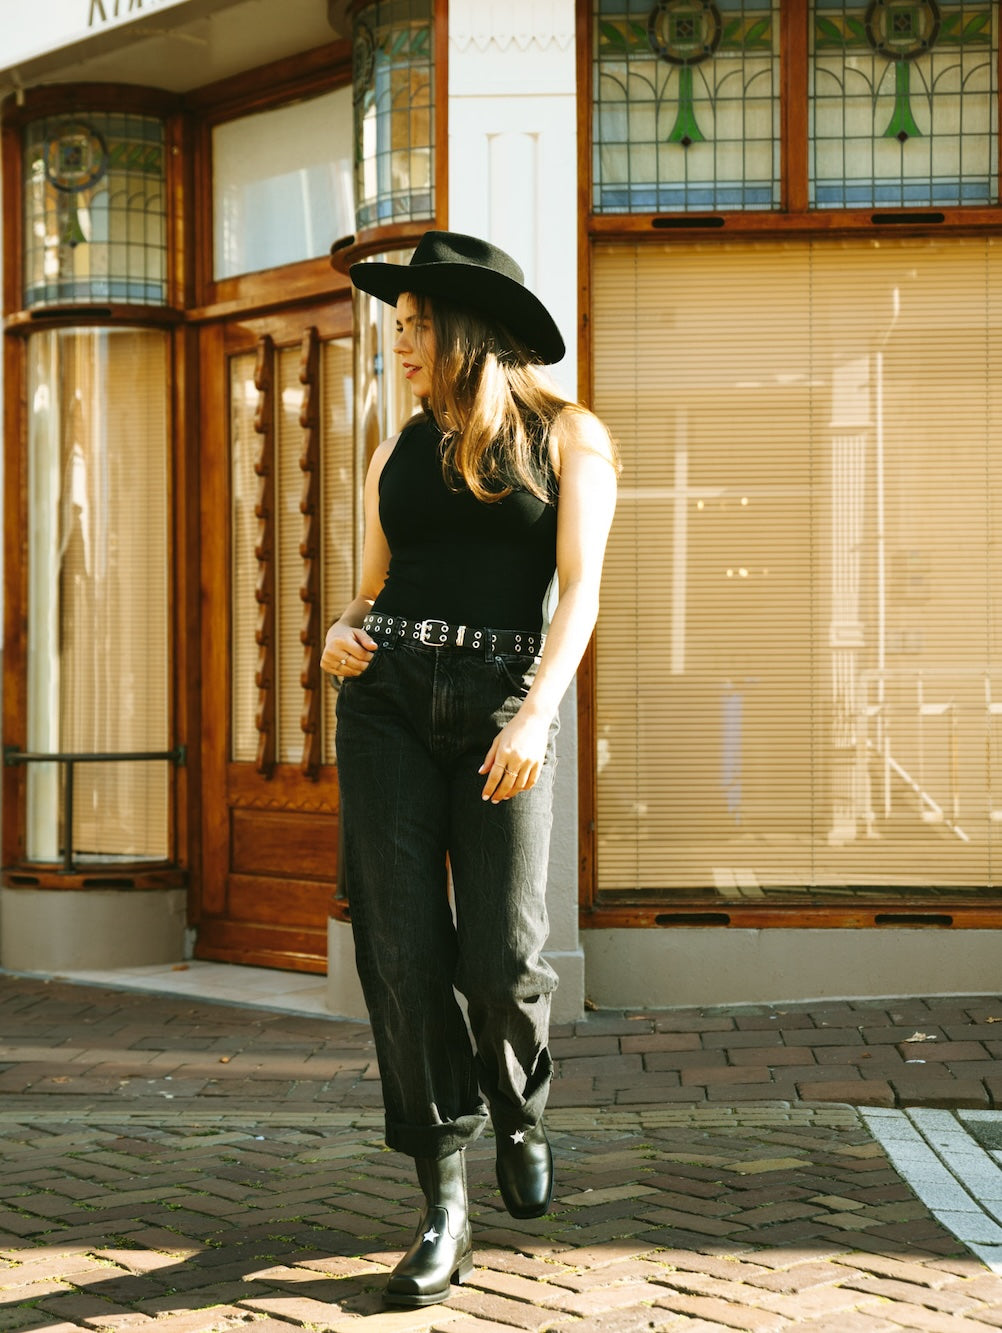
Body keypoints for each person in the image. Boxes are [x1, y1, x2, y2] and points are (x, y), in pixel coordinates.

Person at [320, 230, 617, 1308]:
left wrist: (537, 715)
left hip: (503, 706)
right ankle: (442, 1199)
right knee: (401, 952)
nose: (398, 343)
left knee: (500, 957)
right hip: (387, 706)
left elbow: (579, 591)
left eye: (414, 326)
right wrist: (338, 633)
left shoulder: (570, 436)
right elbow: (368, 592)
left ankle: (520, 1109)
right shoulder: (394, 449)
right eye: (395, 327)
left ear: (466, 329)